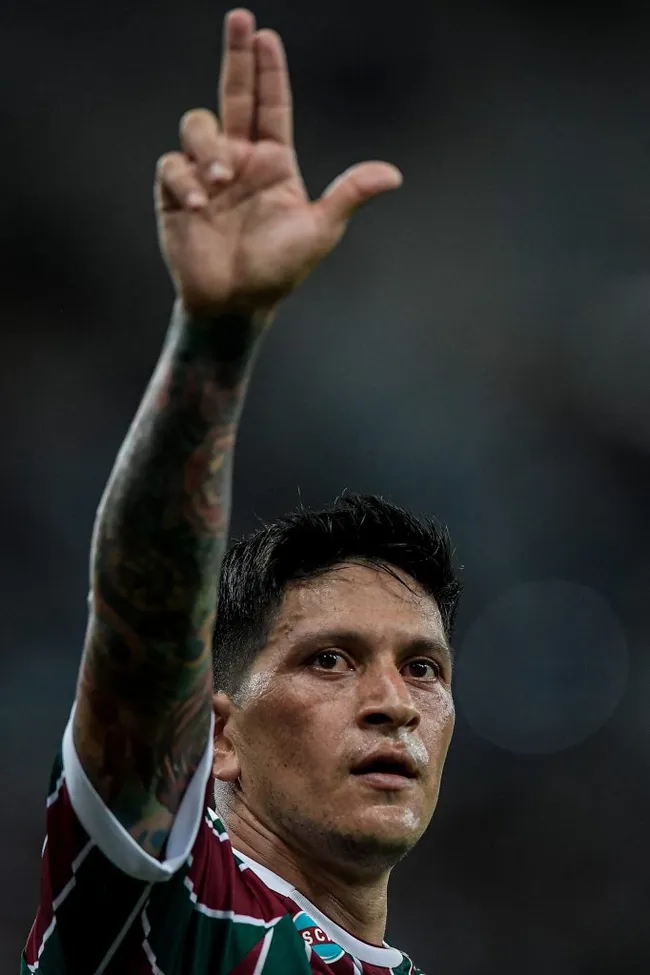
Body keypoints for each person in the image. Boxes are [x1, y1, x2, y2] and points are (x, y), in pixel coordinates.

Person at [22, 7, 462, 973]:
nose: (394, 703)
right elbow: (142, 637)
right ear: (216, 735)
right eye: (330, 660)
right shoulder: (163, 910)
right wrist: (216, 338)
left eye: (424, 668)